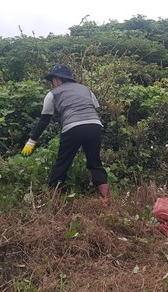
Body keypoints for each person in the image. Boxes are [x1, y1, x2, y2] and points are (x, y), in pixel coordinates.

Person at [21, 64, 110, 207]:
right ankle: (105, 200)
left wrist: (32, 141)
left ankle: (52, 200)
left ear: (57, 79)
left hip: (73, 127)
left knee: (62, 163)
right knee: (95, 162)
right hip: (94, 125)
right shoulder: (85, 89)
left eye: (52, 80)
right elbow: (94, 107)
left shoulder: (53, 94)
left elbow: (45, 120)